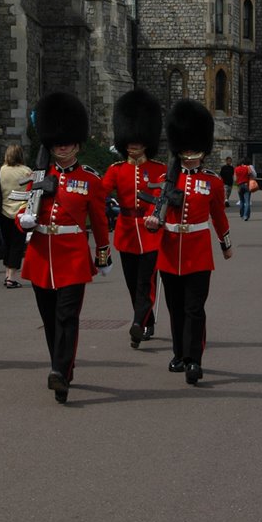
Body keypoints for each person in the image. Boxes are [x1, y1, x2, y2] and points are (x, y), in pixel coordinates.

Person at [17, 91, 111, 404]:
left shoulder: (90, 179)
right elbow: (24, 211)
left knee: (67, 317)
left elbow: (98, 221)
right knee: (50, 318)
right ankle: (62, 367)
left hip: (72, 255)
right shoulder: (39, 175)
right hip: (42, 255)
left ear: (77, 143)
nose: (63, 146)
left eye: (68, 141)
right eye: (58, 142)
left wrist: (103, 253)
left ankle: (59, 369)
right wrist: (25, 219)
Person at [144, 99, 232, 385]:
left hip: (198, 251)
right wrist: (152, 221)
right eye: (186, 149)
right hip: (170, 250)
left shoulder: (213, 181)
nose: (190, 154)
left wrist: (225, 243)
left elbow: (218, 216)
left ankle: (195, 360)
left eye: (195, 149)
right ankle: (179, 354)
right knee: (175, 308)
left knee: (195, 309)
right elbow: (154, 207)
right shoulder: (167, 179)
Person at [102, 88, 165, 348]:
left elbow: (161, 200)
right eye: (129, 140)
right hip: (127, 232)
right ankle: (146, 319)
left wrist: (154, 218)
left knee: (145, 281)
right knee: (132, 284)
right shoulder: (116, 170)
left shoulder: (159, 169)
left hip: (151, 235)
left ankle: (138, 323)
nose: (133, 144)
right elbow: (99, 193)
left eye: (137, 140)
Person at [0, 144, 32, 288]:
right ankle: (11, 277)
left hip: (3, 211)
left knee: (7, 243)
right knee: (17, 245)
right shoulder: (27, 171)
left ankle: (7, 272)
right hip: (21, 212)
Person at [234, 156, 257, 220]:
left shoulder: (236, 169)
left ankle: (241, 214)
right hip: (246, 184)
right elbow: (252, 175)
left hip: (239, 185)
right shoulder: (248, 168)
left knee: (241, 201)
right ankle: (246, 216)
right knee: (247, 201)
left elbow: (235, 179)